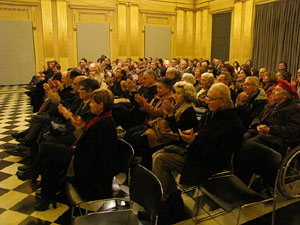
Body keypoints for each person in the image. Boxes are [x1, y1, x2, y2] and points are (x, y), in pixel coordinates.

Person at [152, 83, 244, 224]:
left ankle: (163, 208)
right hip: (196, 153)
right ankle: (171, 203)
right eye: (207, 97)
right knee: (157, 155)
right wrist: (192, 133)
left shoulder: (233, 125)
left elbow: (218, 157)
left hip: (209, 164)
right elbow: (199, 133)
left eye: (210, 99)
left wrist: (194, 141)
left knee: (160, 159)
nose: (206, 101)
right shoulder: (211, 112)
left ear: (223, 101)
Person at [33, 89, 118, 211]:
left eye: (93, 102)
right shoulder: (102, 119)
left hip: (89, 167)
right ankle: (47, 194)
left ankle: (34, 174)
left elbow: (88, 150)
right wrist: (79, 130)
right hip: (85, 157)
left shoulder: (103, 124)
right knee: (47, 159)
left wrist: (78, 130)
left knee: (46, 147)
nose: (90, 104)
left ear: (101, 105)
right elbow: (88, 144)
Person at [244, 79, 300, 156]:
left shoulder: (293, 109)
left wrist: (270, 129)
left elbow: (292, 130)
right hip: (260, 133)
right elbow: (257, 117)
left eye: (276, 90)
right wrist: (257, 125)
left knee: (247, 145)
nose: (272, 92)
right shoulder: (270, 105)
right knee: (240, 139)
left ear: (285, 95)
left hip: (276, 140)